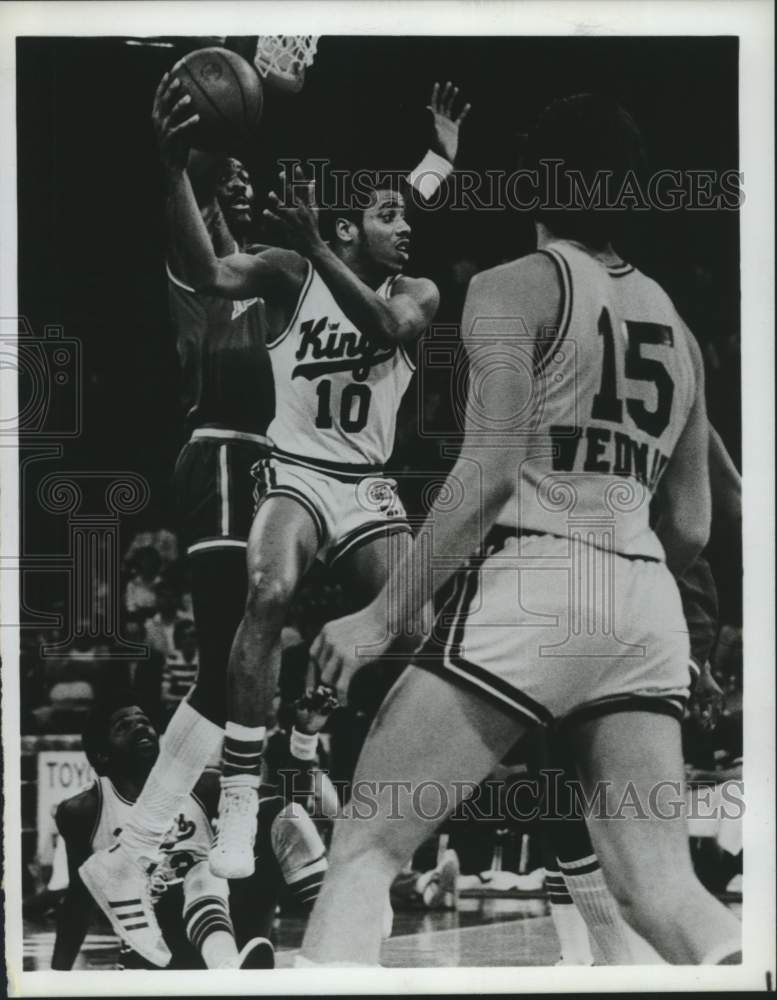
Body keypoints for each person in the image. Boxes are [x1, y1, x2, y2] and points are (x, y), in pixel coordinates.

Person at [302, 94, 741, 966]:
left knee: (362, 851)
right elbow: (691, 522)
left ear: (544, 181)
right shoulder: (679, 329)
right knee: (662, 892)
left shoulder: (509, 287)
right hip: (646, 597)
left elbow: (487, 474)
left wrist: (379, 616)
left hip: (541, 579)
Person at [81, 69, 469, 961]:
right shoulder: (288, 269)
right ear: (348, 224)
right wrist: (173, 167)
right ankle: (250, 796)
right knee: (264, 593)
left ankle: (308, 726)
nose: (407, 227)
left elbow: (378, 325)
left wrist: (434, 166)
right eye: (389, 216)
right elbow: (209, 266)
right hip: (289, 471)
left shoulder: (415, 293)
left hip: (367, 487)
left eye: (407, 218)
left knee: (412, 628)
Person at [53, 693, 273, 970]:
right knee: (180, 881)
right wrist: (56, 975)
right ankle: (227, 964)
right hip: (152, 948)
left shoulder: (204, 785)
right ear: (101, 756)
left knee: (263, 826)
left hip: (210, 927)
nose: (140, 727)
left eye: (144, 721)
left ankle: (233, 960)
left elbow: (270, 813)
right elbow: (79, 898)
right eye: (123, 726)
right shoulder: (84, 810)